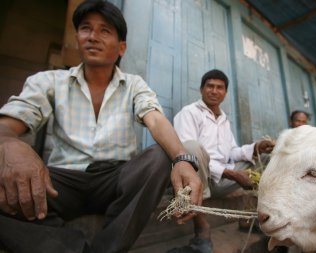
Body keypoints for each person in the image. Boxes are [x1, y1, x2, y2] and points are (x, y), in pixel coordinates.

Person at [0, 1, 202, 253]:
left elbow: (155, 118)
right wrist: (10, 145)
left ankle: (108, 249)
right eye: (86, 28)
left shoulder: (134, 84)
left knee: (159, 157)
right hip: (62, 181)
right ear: (77, 37)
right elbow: (8, 125)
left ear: (121, 47)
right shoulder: (49, 81)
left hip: (115, 179)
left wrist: (181, 159)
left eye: (105, 31)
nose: (93, 37)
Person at [169, 69, 275, 253]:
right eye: (210, 86)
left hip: (223, 181)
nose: (214, 91)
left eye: (219, 87)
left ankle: (251, 216)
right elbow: (184, 153)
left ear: (225, 93)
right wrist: (232, 173)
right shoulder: (189, 113)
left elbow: (232, 153)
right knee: (192, 148)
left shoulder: (224, 120)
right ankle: (202, 229)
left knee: (268, 157)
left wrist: (256, 147)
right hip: (199, 180)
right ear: (201, 89)